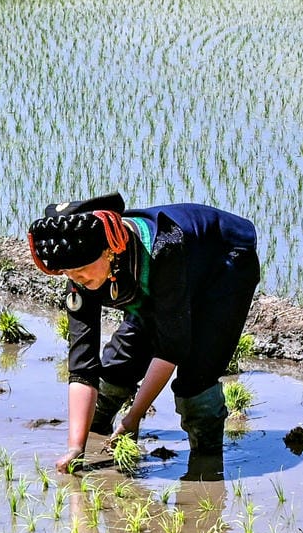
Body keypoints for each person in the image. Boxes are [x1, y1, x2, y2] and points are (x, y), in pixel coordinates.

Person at [26, 195, 261, 474]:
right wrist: (75, 448)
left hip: (222, 260)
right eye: (69, 274)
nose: (77, 280)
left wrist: (133, 417)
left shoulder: (163, 250)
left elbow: (170, 349)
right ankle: (97, 435)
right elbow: (82, 364)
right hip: (153, 281)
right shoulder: (80, 278)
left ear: (109, 251)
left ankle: (206, 464)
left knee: (197, 375)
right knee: (117, 366)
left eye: (82, 272)